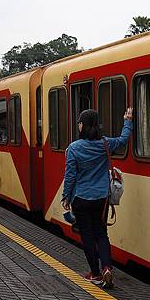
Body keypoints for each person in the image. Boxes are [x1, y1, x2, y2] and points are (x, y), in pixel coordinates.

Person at [61, 108, 133, 289]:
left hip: (81, 198)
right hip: (101, 198)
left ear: (82, 126)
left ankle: (95, 274)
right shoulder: (105, 144)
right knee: (101, 234)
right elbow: (124, 140)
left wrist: (66, 197)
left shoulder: (74, 148)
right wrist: (127, 121)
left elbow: (70, 176)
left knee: (87, 236)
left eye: (79, 122)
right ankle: (107, 267)